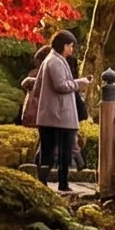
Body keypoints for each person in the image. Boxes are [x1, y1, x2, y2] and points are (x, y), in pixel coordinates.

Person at [32, 30, 88, 192]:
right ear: (64, 45)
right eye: (70, 46)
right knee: (55, 151)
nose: (71, 50)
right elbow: (61, 85)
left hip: (54, 114)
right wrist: (80, 82)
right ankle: (50, 183)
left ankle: (54, 183)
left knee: (55, 150)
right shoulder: (55, 62)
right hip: (58, 114)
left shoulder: (53, 60)